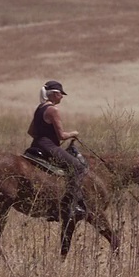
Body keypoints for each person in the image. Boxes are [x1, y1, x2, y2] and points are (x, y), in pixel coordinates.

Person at [27, 80, 87, 222]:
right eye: (61, 94)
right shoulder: (53, 110)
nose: (62, 97)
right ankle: (71, 206)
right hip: (49, 147)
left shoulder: (39, 108)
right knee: (78, 167)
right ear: (54, 94)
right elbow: (61, 136)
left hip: (36, 144)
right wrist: (74, 133)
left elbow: (30, 131)